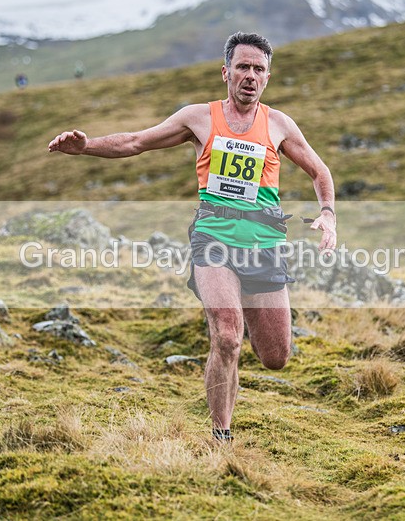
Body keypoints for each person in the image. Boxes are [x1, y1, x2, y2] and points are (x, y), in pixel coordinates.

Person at [48, 32, 336, 441]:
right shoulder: (198, 118)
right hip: (213, 240)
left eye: (258, 69)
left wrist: (328, 214)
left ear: (267, 77)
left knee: (275, 357)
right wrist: (86, 146)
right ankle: (222, 435)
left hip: (264, 246)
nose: (249, 76)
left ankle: (228, 364)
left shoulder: (278, 124)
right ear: (226, 73)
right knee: (227, 334)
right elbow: (135, 142)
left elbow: (320, 172)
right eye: (242, 67)